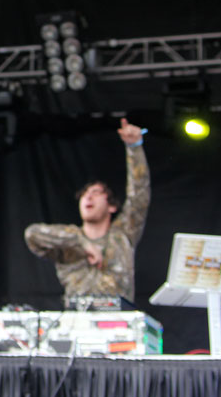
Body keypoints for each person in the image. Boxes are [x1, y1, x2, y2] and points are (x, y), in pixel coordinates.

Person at [24, 118, 151, 303]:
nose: (88, 197)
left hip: (116, 322)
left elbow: (139, 196)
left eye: (96, 193)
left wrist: (134, 147)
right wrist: (82, 244)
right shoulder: (69, 240)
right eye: (84, 195)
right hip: (76, 323)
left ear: (112, 206)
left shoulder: (123, 233)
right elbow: (32, 235)